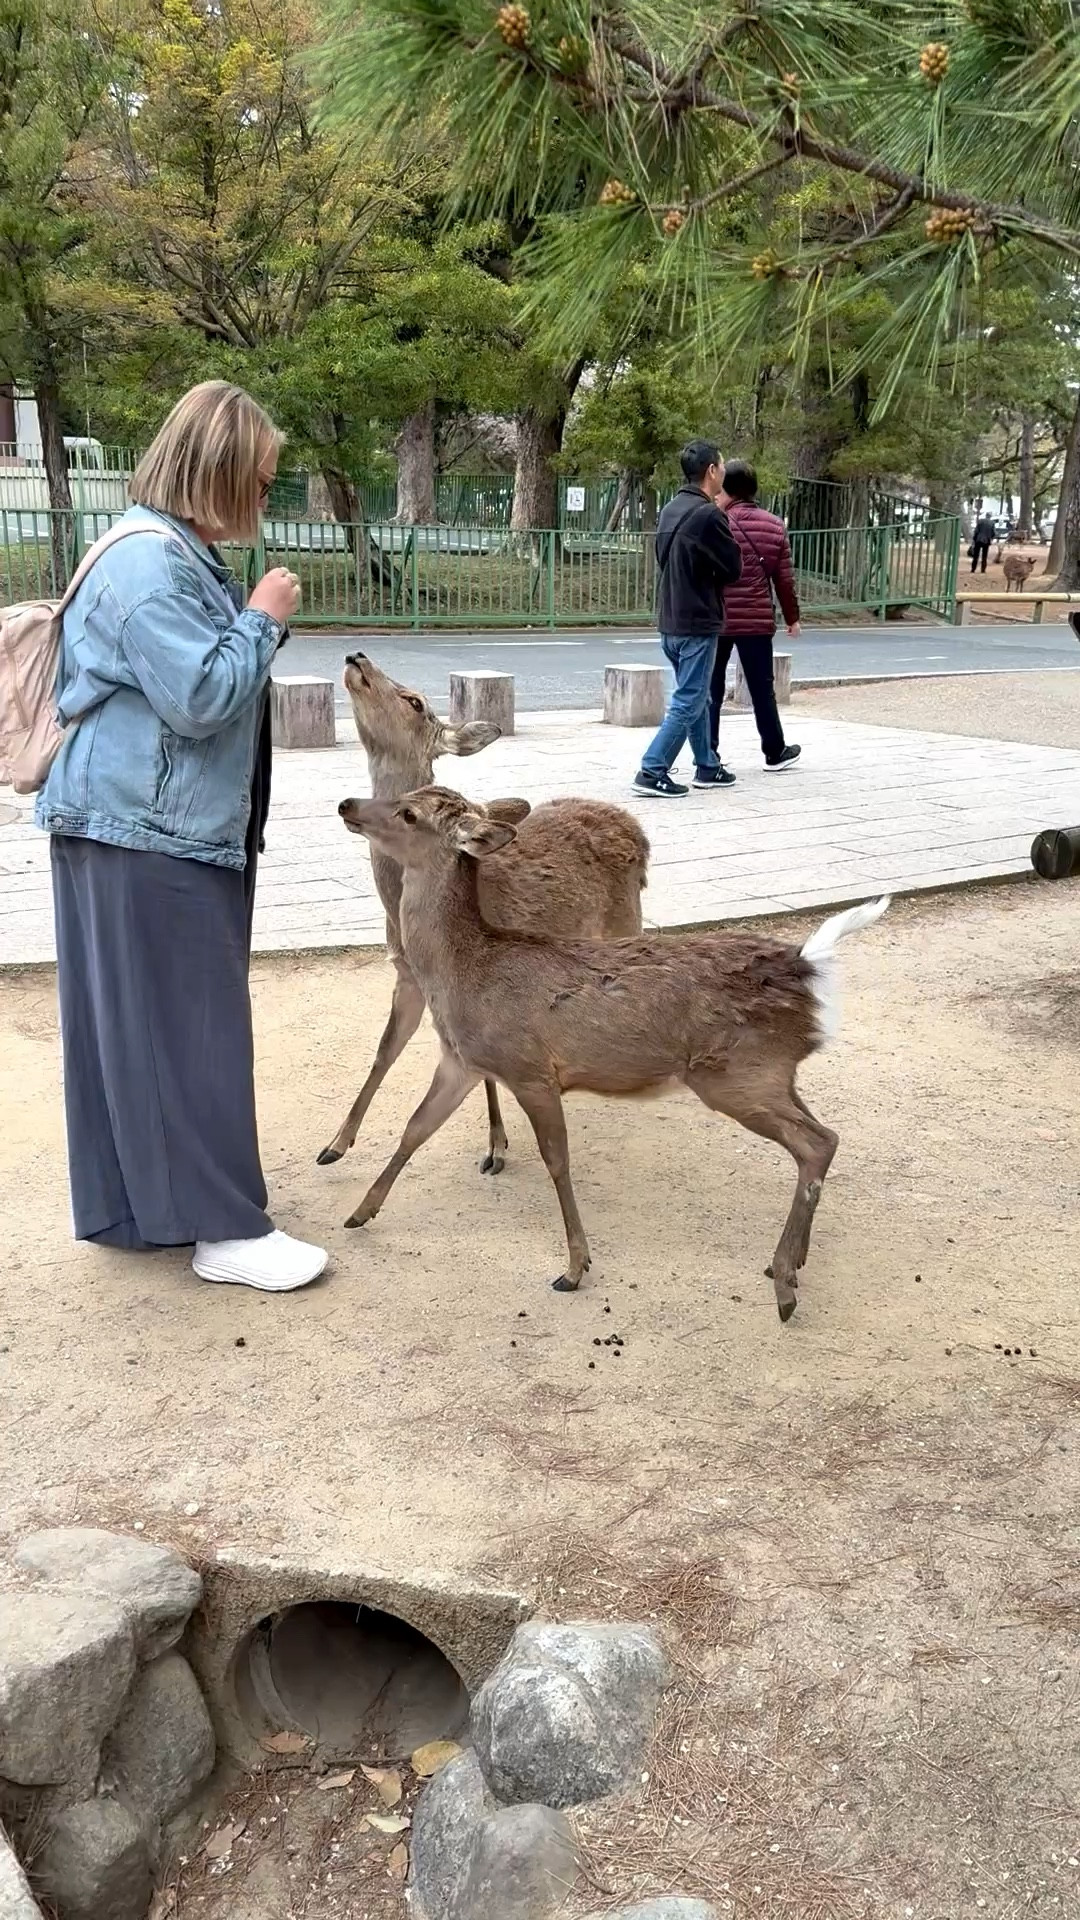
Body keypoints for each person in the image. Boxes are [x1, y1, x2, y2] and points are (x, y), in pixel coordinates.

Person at [36, 381, 328, 1292]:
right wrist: (263, 618)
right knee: (192, 1027)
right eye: (262, 478)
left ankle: (141, 1207)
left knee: (139, 1025)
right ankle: (222, 1229)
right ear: (219, 470)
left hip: (138, 823)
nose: (266, 497)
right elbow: (200, 699)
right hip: (146, 829)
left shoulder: (167, 551)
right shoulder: (152, 564)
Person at [633, 439, 742, 799]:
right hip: (698, 618)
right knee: (690, 698)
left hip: (670, 618)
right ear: (711, 470)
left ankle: (707, 765)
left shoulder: (669, 510)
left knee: (696, 697)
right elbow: (733, 568)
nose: (724, 470)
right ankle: (652, 768)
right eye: (722, 465)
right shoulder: (710, 514)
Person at [708, 461, 802, 772]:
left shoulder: (715, 521)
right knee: (763, 688)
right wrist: (792, 617)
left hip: (717, 618)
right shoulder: (775, 525)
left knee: (711, 688)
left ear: (725, 488)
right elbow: (784, 580)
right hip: (756, 619)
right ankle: (774, 751)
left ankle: (708, 753)